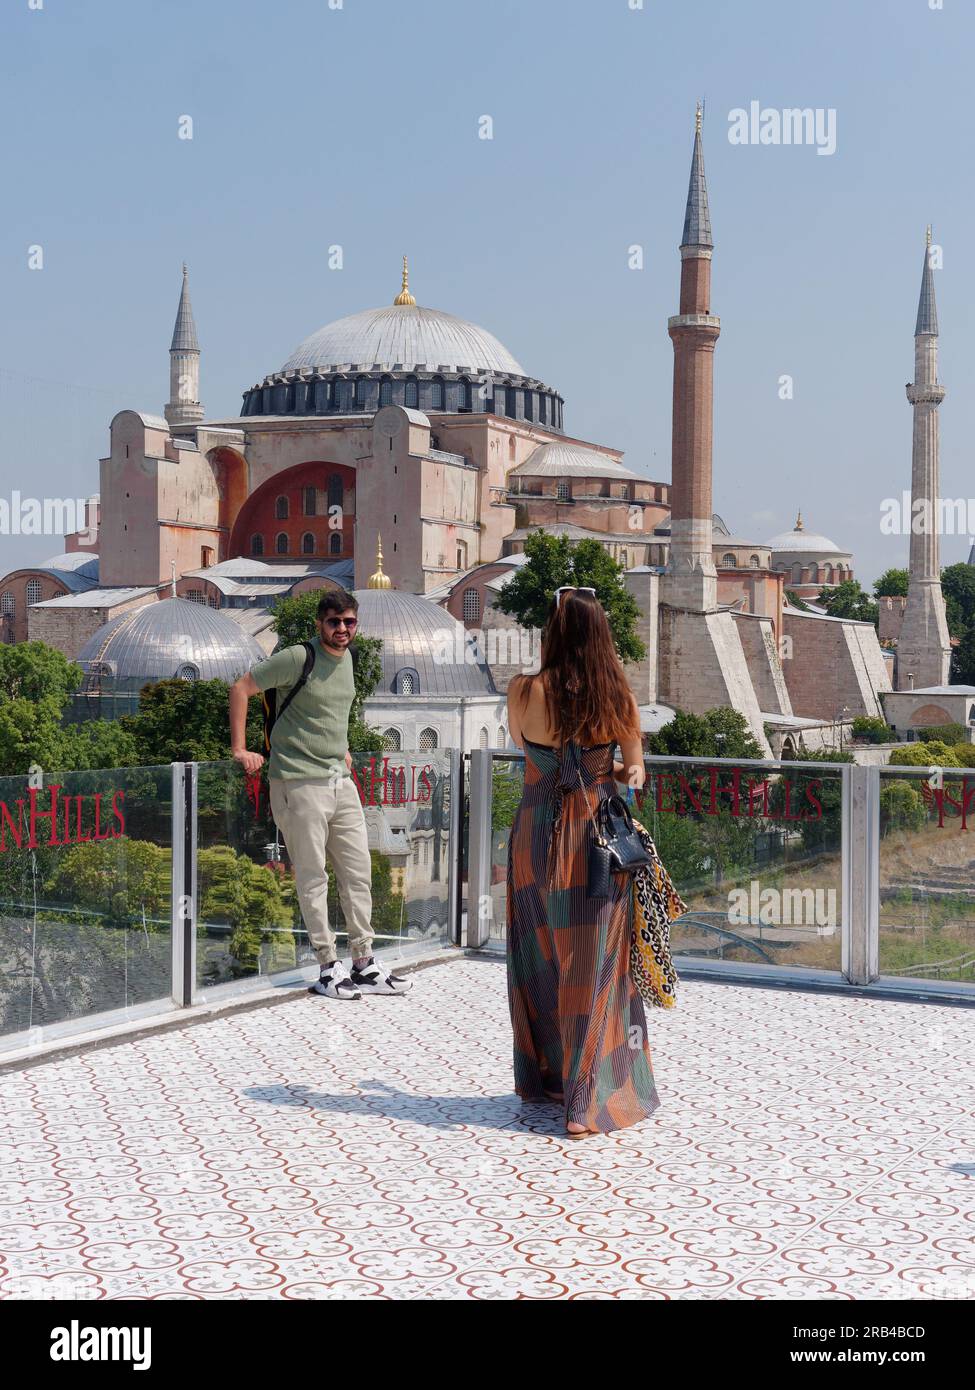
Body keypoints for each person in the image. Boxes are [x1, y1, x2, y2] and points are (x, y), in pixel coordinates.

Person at [505, 585, 658, 1137]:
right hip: (591, 842)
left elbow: (531, 758)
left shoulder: (521, 691)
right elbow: (634, 773)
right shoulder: (617, 698)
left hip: (533, 834)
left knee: (538, 957)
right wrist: (611, 773)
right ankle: (586, 1103)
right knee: (595, 965)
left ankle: (548, 1079)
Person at [229, 587, 411, 1000]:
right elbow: (241, 688)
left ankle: (363, 962)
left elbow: (330, 712)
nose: (342, 629)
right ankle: (328, 965)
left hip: (338, 781)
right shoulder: (298, 657)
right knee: (314, 877)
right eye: (334, 622)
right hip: (297, 781)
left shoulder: (348, 659)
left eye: (349, 622)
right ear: (319, 623)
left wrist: (342, 747)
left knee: (358, 873)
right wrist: (241, 750)